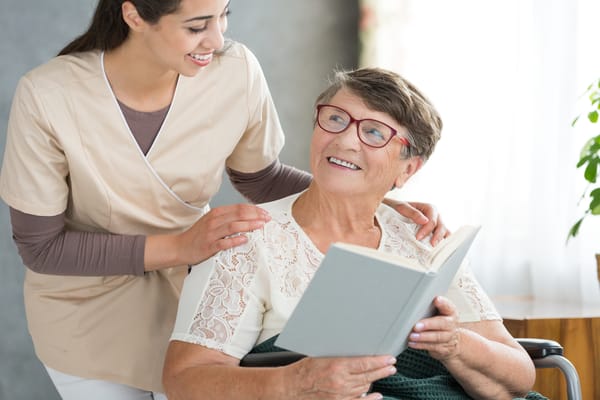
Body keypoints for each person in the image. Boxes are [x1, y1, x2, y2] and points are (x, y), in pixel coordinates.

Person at [0, 1, 448, 399]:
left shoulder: (234, 69)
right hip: (88, 315)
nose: (217, 40)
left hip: (189, 298)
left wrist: (374, 202)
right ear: (134, 14)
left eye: (224, 16)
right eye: (197, 26)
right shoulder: (48, 95)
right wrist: (181, 246)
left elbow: (261, 177)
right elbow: (41, 247)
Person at [163, 67, 537, 400]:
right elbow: (185, 380)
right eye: (336, 119)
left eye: (374, 132)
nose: (344, 140)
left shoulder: (423, 239)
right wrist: (295, 384)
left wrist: (455, 344)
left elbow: (519, 378)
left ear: (407, 170)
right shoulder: (248, 238)